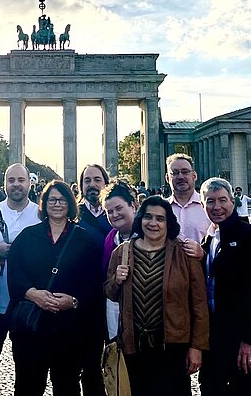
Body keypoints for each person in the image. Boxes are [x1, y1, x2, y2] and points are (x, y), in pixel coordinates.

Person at [104, 196, 209, 395]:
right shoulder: (122, 252)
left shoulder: (185, 254)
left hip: (173, 346)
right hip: (135, 347)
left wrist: (197, 347)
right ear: (140, 219)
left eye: (160, 219)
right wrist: (116, 280)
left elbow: (199, 303)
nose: (153, 223)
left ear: (168, 223)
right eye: (148, 217)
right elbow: (109, 293)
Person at [7, 180, 102, 396]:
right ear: (44, 204)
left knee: (67, 386)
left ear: (70, 204)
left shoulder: (85, 240)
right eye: (52, 200)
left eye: (62, 200)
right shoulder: (27, 236)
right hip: (32, 329)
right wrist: (32, 294)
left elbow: (94, 282)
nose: (57, 204)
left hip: (70, 330)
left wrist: (74, 301)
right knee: (27, 386)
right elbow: (14, 272)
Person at [199, 178, 251, 396]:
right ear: (203, 205)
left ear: (233, 202)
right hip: (217, 337)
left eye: (222, 200)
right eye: (211, 201)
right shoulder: (210, 238)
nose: (217, 207)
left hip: (246, 340)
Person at [0, 163, 40, 395]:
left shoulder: (41, 213)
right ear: (4, 184)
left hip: (27, 304)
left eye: (21, 180)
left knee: (27, 370)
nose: (16, 185)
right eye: (11, 180)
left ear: (29, 184)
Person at [76, 164, 111, 396]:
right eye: (87, 181)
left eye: (97, 179)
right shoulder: (74, 213)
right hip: (84, 297)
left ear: (105, 183)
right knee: (88, 363)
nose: (92, 185)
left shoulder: (116, 211)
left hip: (115, 295)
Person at [100, 181, 138, 342]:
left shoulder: (152, 233)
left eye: (119, 208)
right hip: (116, 319)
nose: (114, 215)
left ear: (133, 206)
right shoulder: (110, 238)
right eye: (109, 211)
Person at [165, 153, 210, 243]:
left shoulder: (209, 206)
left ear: (194, 176)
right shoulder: (161, 208)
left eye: (185, 172)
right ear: (167, 178)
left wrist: (202, 252)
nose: (181, 177)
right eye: (175, 173)